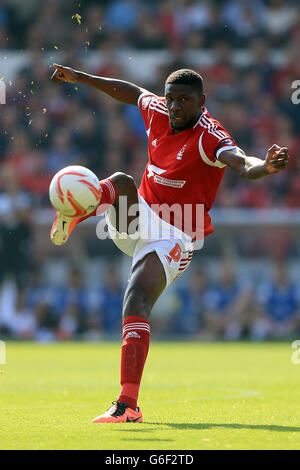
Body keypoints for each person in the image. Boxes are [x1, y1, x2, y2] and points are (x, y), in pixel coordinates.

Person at [50, 63, 290, 423]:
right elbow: (130, 92)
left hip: (176, 234)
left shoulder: (210, 136)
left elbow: (241, 162)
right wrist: (81, 78)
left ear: (201, 101)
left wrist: (266, 168)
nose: (175, 106)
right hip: (139, 217)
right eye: (171, 99)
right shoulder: (160, 110)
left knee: (137, 298)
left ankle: (127, 405)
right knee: (122, 180)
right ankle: (77, 210)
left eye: (184, 100)